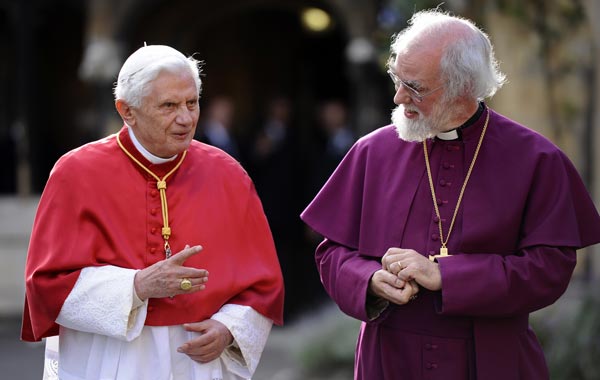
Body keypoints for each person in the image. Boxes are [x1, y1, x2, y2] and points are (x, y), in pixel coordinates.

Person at [301, 9, 600, 380]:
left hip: (492, 360)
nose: (398, 97)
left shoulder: (535, 159)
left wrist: (447, 275)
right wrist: (369, 280)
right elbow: (332, 253)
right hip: (389, 360)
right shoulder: (372, 151)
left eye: (416, 88)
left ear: (463, 88)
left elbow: (550, 269)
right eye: (397, 79)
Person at [21, 45, 284, 380]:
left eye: (192, 103)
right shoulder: (75, 173)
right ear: (127, 110)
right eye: (169, 106)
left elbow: (262, 285)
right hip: (108, 358)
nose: (186, 118)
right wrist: (136, 285)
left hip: (197, 364)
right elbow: (45, 287)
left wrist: (228, 329)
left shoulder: (228, 174)